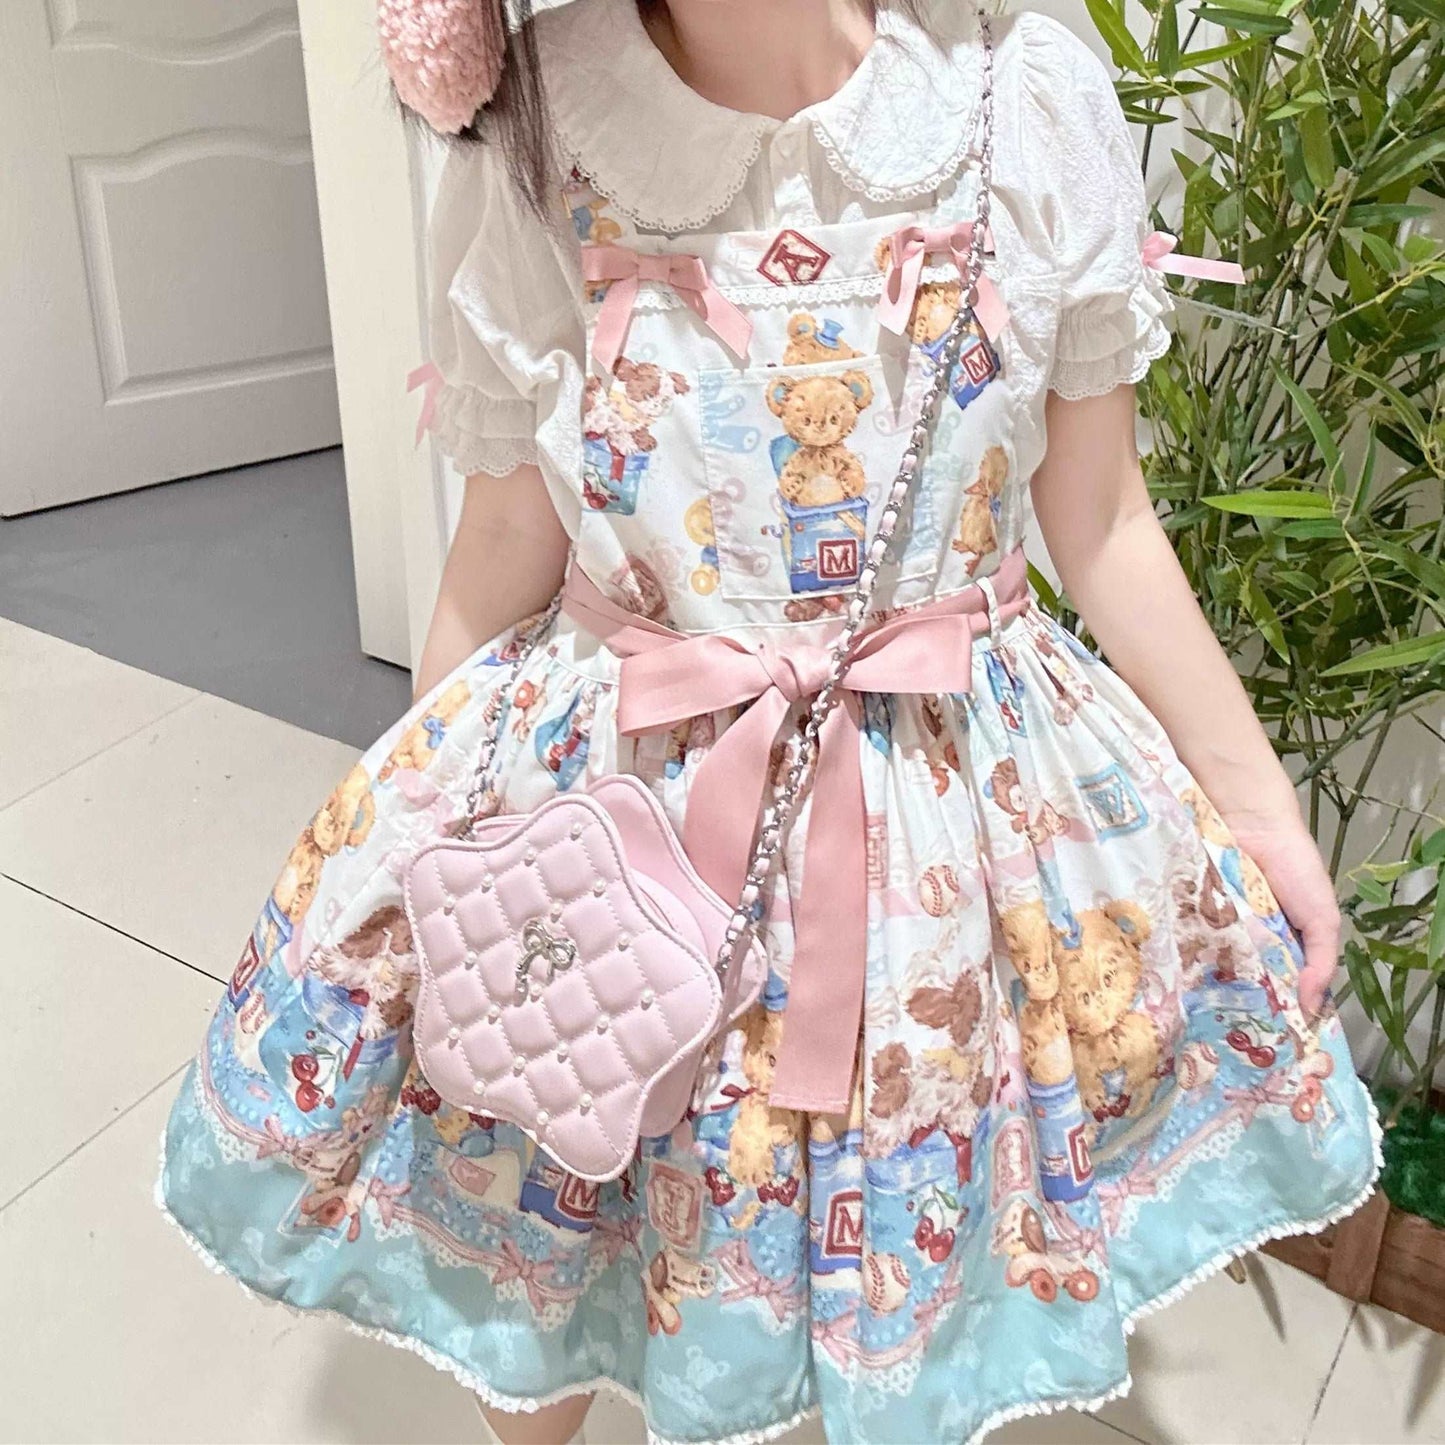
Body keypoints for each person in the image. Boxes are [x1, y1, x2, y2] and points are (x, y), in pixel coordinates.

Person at [157, 2, 1379, 1442]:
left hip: (948, 844)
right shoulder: (538, 122)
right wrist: (432, 866)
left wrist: (1258, 809)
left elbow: (1101, 515)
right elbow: (500, 545)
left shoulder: (1025, 100)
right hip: (615, 813)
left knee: (901, 1259)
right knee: (550, 1229)